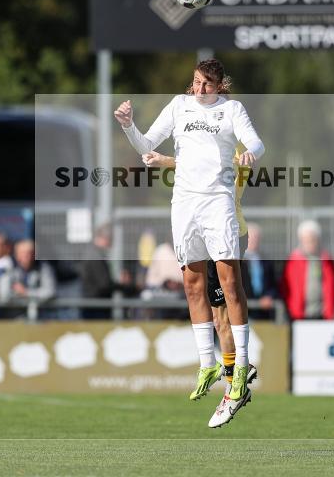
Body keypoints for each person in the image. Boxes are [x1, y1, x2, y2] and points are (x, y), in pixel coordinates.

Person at [115, 57, 264, 424]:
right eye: (195, 82)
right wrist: (129, 126)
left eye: (206, 85)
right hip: (184, 205)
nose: (198, 89)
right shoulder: (179, 106)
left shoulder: (232, 110)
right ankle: (207, 365)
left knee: (230, 287)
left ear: (219, 87)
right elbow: (146, 144)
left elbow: (257, 143)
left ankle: (240, 370)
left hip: (218, 205)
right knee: (192, 286)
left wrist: (250, 153)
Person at [281, 220, 334, 321]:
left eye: (313, 239)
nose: (310, 243)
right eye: (306, 240)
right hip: (299, 315)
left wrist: (331, 310)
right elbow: (285, 287)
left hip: (322, 314)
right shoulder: (293, 261)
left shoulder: (326, 260)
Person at [0, 239, 55, 318]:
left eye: (30, 253)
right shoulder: (8, 267)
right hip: (13, 318)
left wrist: (26, 292)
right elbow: (4, 296)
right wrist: (34, 297)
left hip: (40, 318)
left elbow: (49, 292)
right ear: (17, 254)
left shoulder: (44, 268)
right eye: (23, 253)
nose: (27, 256)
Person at [244, 223, 278, 318]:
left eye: (257, 238)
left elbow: (272, 284)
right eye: (251, 238)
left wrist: (269, 296)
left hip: (263, 312)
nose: (254, 241)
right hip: (244, 310)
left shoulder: (266, 261)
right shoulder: (237, 261)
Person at [81, 225, 114, 319]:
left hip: (94, 305)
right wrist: (125, 288)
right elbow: (104, 284)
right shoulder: (95, 255)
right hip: (96, 307)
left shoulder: (93, 253)